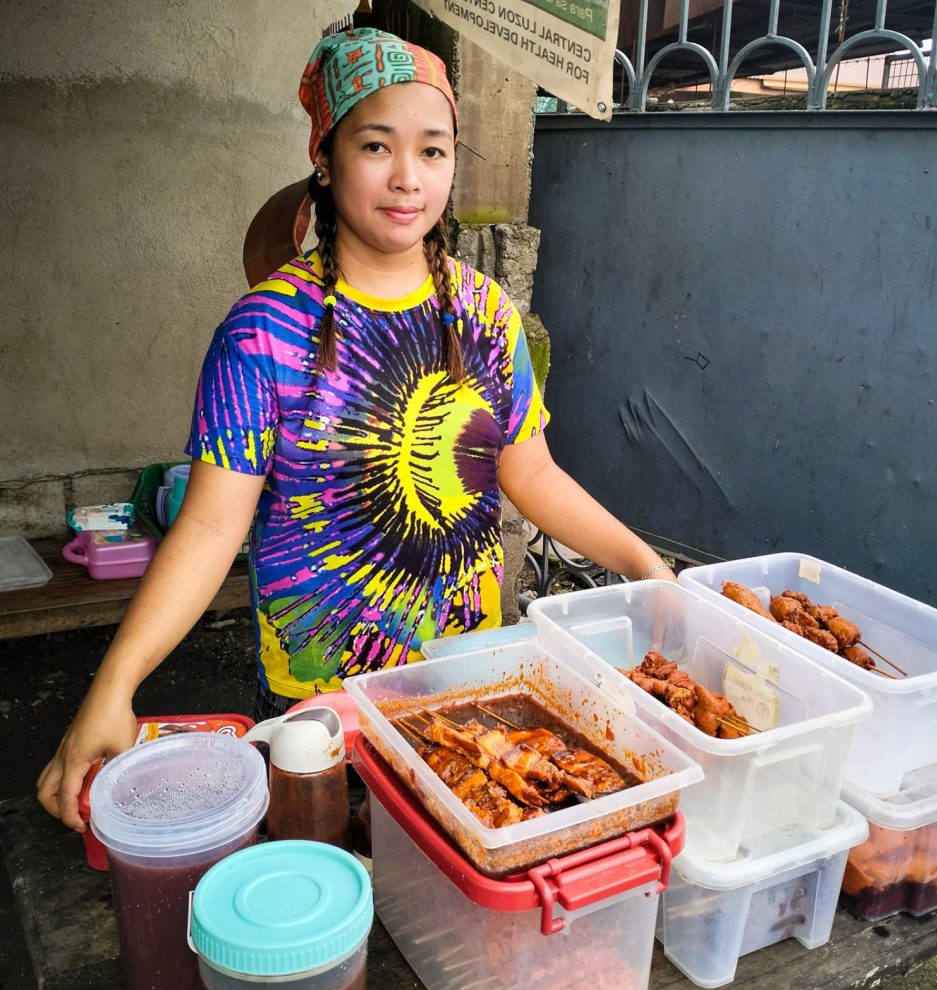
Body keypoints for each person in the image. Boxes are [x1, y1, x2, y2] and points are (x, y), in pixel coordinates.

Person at [37, 27, 677, 831]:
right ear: (328, 159)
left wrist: (646, 566)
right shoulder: (262, 332)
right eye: (377, 145)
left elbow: (532, 471)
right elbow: (206, 526)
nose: (408, 177)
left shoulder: (485, 314)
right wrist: (113, 687)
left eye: (434, 151)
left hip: (466, 683)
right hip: (320, 712)